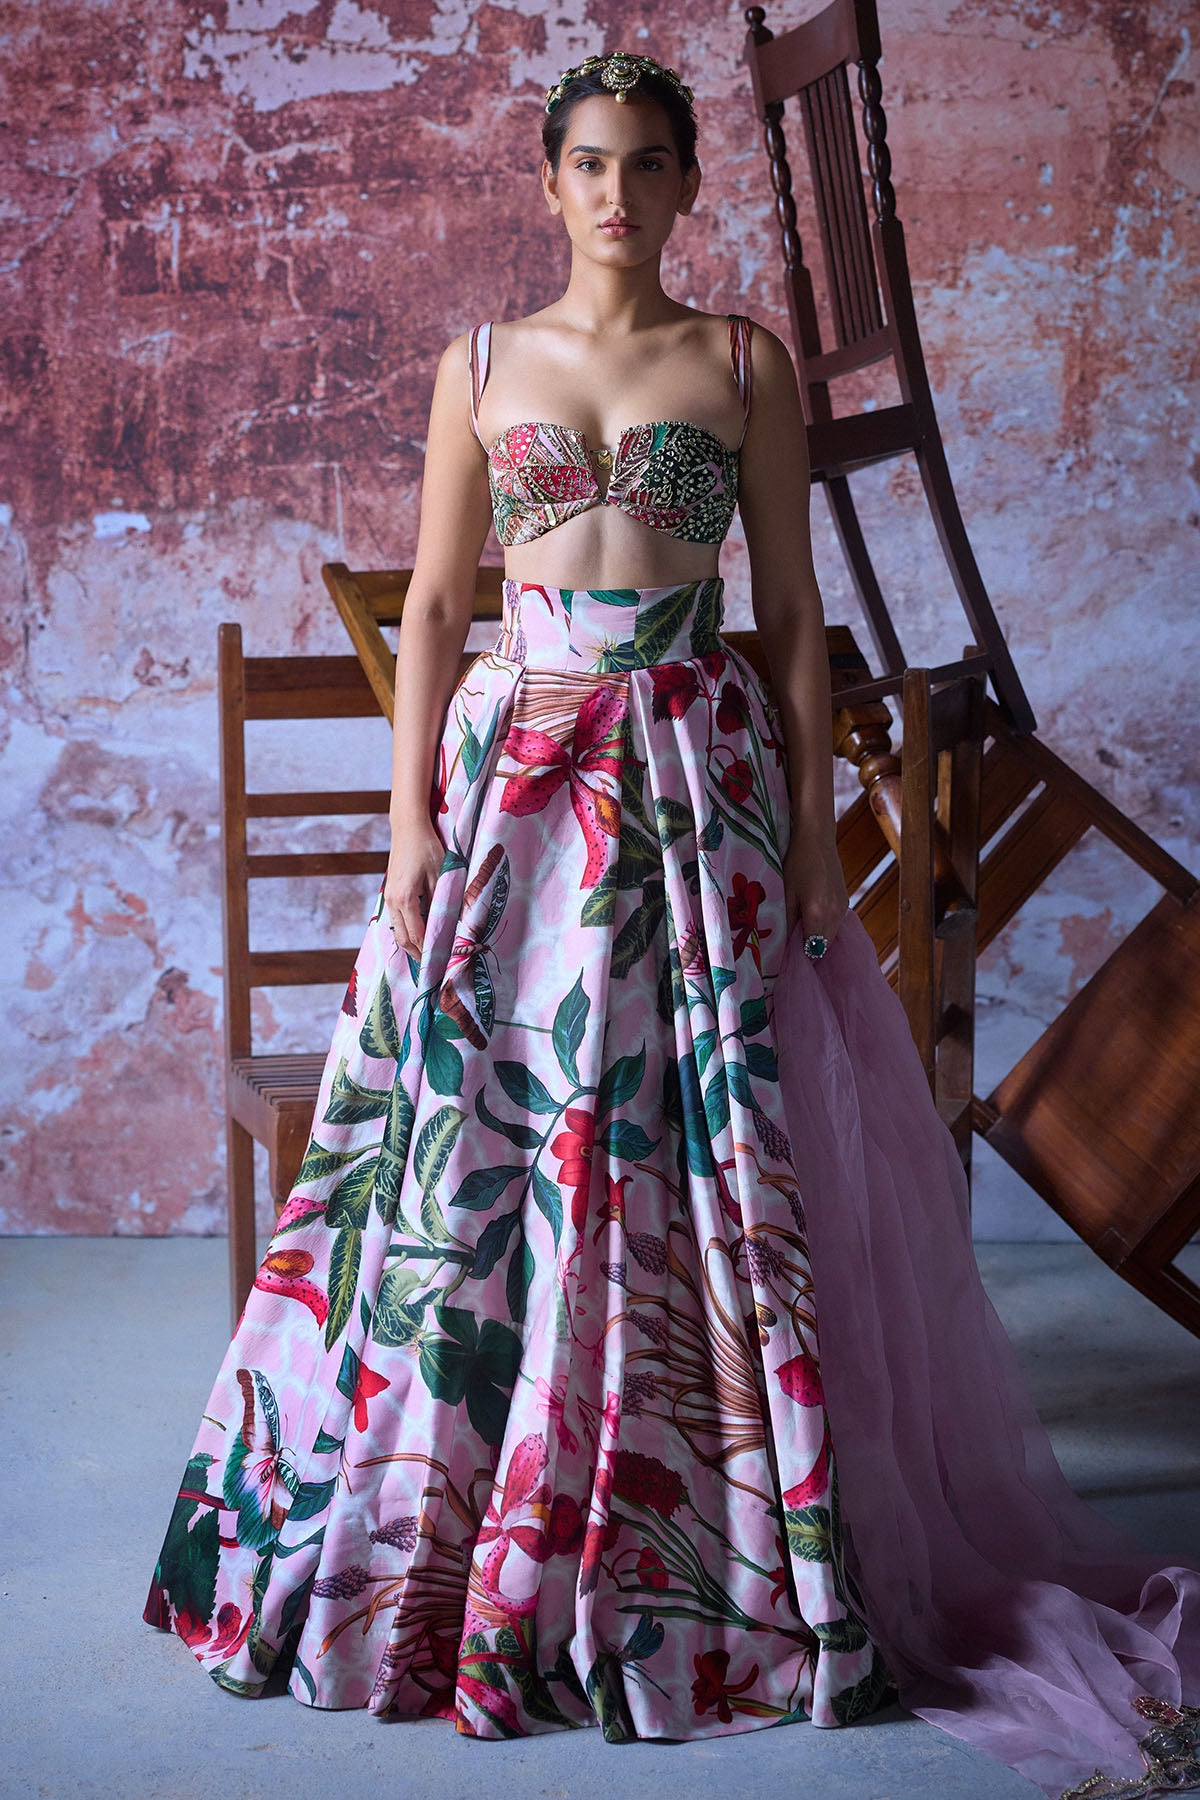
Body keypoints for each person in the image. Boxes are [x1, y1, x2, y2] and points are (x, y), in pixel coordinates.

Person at [144, 50, 1199, 1800]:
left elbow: (788, 613)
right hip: (518, 772)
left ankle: (700, 1538)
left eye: (647, 164)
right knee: (486, 1131)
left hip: (692, 769)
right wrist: (407, 822)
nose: (618, 193)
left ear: (688, 184)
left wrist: (810, 835)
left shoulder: (743, 364)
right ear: (548, 183)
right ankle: (454, 1525)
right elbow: (434, 606)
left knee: (683, 1130)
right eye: (589, 164)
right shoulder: (481, 365)